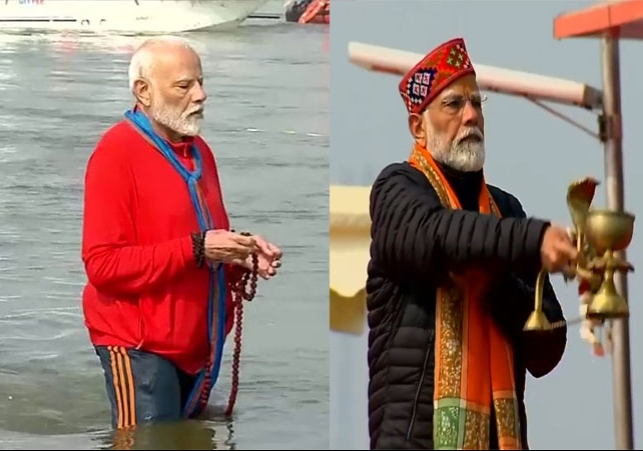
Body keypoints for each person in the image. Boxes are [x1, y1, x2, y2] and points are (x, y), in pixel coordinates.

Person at [366, 37, 576, 450]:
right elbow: (436, 235)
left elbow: (546, 351)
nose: (471, 116)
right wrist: (532, 240)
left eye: (478, 104)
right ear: (417, 127)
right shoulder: (397, 188)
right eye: (454, 105)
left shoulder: (507, 210)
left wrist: (496, 286)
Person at [81, 35, 282, 430]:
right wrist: (199, 247)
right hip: (137, 343)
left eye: (201, 82)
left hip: (197, 343)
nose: (201, 95)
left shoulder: (200, 151)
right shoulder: (115, 153)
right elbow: (102, 265)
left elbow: (203, 240)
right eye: (184, 85)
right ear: (144, 91)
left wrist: (240, 255)